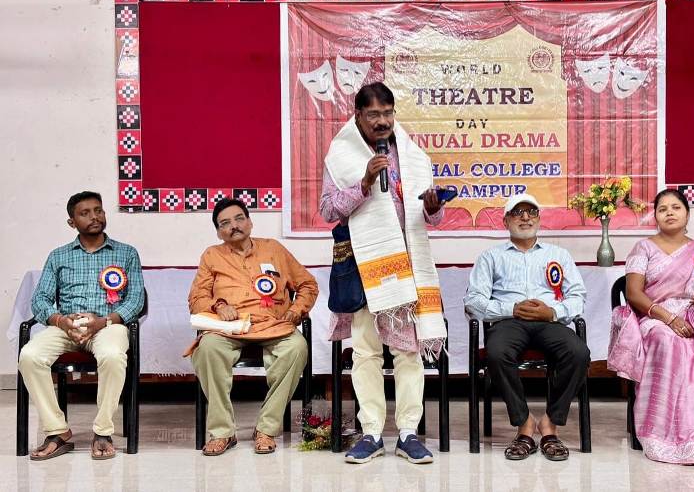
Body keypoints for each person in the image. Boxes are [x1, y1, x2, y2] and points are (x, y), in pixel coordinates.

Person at [320, 82, 447, 464]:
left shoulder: (411, 154)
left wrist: (434, 207)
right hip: (367, 268)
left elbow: (429, 218)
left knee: (408, 353)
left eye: (388, 113)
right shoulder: (342, 155)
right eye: (374, 114)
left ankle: (408, 433)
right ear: (358, 115)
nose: (382, 121)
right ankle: (371, 432)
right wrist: (363, 184)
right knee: (365, 352)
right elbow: (328, 211)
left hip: (407, 268)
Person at [608, 189, 694, 465]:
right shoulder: (643, 248)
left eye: (675, 207)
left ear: (687, 214)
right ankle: (664, 430)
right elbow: (634, 293)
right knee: (669, 342)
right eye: (662, 209)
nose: (669, 213)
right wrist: (669, 319)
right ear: (655, 217)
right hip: (657, 317)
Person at [19, 191, 145, 460]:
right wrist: (61, 321)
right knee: (29, 356)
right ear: (72, 222)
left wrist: (103, 322)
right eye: (85, 213)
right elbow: (40, 299)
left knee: (112, 356)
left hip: (107, 324)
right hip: (66, 326)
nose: (94, 217)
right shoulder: (58, 256)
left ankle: (102, 431)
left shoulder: (126, 253)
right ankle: (57, 431)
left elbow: (135, 300)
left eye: (98, 210)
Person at [187, 198, 318, 456]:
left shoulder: (273, 249)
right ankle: (222, 432)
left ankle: (266, 429)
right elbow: (196, 298)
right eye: (225, 223)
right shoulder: (212, 255)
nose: (234, 226)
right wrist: (219, 306)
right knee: (207, 349)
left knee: (296, 347)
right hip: (230, 327)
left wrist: (295, 311)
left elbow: (308, 285)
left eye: (239, 219)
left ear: (250, 222)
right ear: (218, 232)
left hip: (273, 325)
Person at [464, 193, 589, 461]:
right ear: (505, 221)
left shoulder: (558, 255)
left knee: (578, 353)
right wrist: (511, 309)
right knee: (497, 353)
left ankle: (550, 424)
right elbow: (473, 302)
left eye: (531, 212)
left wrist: (553, 312)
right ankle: (524, 424)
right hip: (509, 322)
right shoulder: (491, 257)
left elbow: (578, 296)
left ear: (539, 219)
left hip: (548, 321)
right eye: (517, 212)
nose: (525, 217)